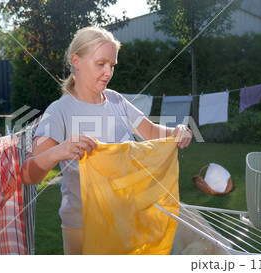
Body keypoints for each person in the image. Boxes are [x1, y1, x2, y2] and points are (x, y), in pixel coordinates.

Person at [20, 26, 192, 255]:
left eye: (112, 65)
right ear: (77, 62)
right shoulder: (59, 111)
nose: (108, 72)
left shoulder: (116, 101)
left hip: (129, 219)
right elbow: (28, 174)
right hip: (83, 228)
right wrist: (60, 150)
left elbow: (150, 132)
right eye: (100, 64)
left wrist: (177, 131)